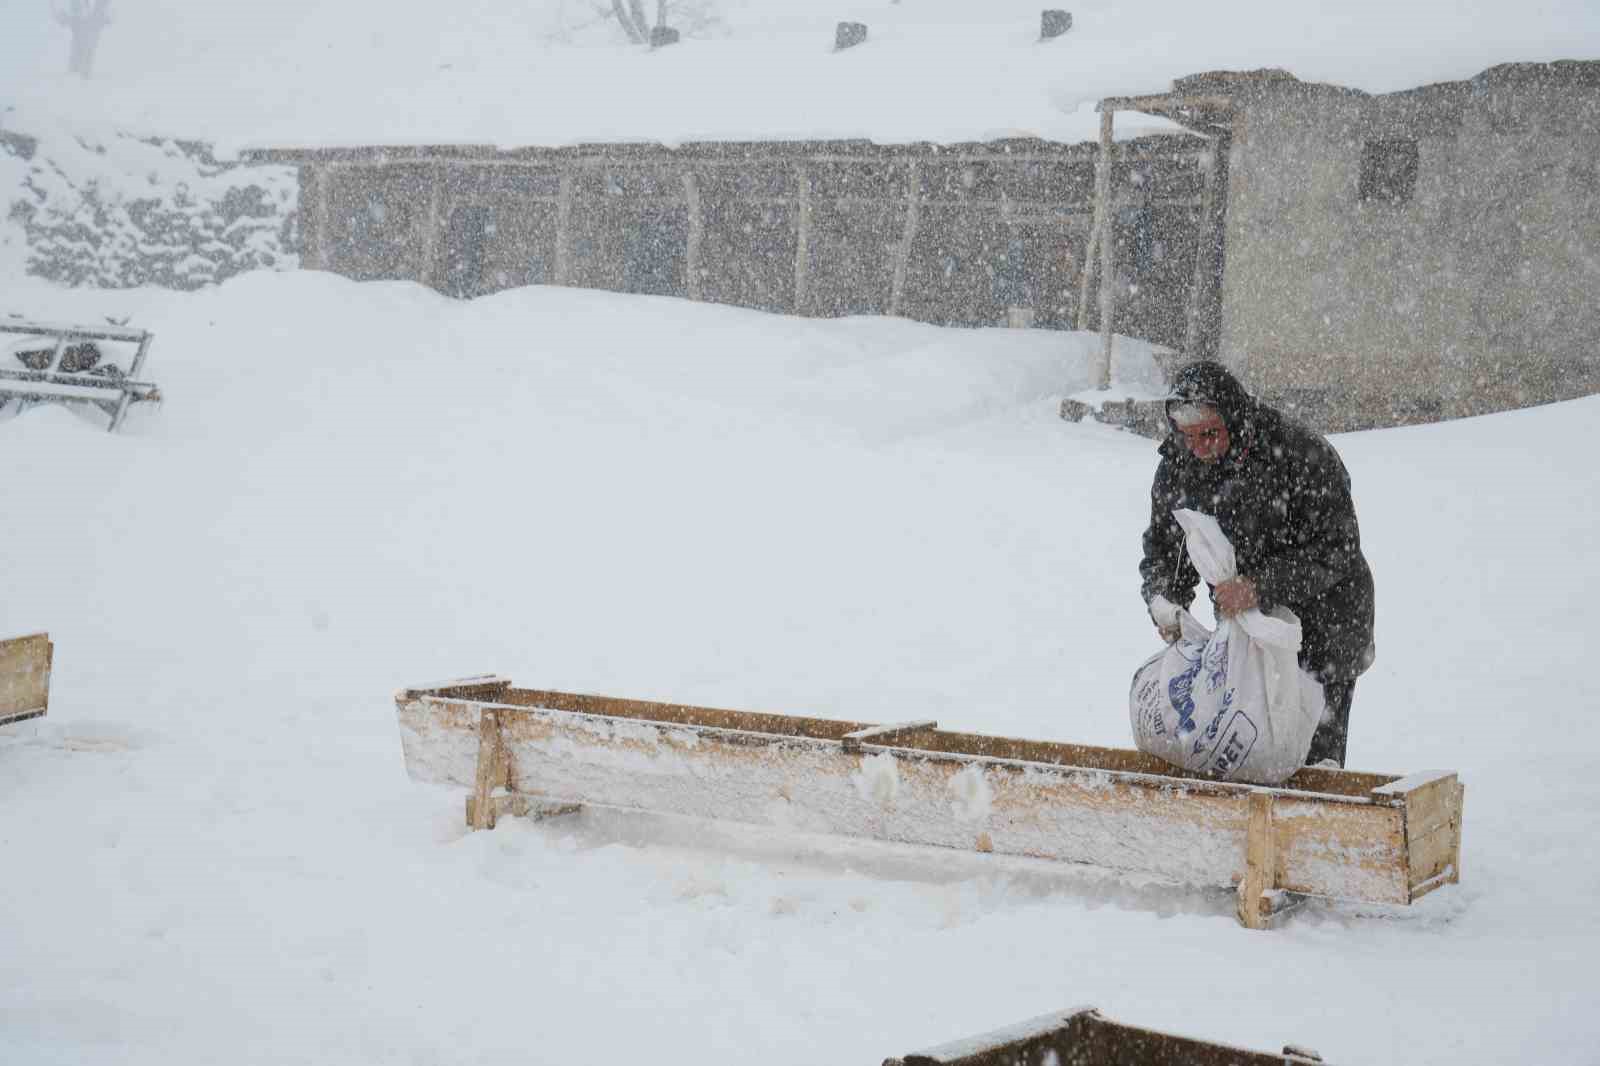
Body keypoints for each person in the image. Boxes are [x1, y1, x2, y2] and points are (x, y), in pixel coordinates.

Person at [1138, 361, 1375, 767]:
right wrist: (1165, 598)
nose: (1199, 447)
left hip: (1322, 629)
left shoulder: (1300, 454)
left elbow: (1336, 550)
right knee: (1244, 747)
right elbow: (1167, 546)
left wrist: (1259, 587)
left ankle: (1315, 828)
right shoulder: (1181, 464)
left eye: (1210, 433)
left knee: (1311, 762)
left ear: (1233, 416)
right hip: (1249, 634)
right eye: (1187, 436)